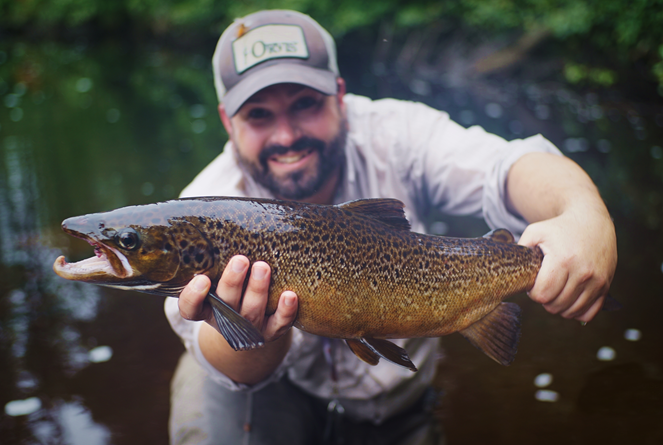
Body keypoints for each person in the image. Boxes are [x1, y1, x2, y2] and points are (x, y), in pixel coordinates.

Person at [164, 9, 617, 445]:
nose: (286, 136)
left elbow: (509, 166)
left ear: (340, 95)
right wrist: (251, 332)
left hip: (399, 397)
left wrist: (583, 212)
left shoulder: (396, 132)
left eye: (305, 104)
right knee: (206, 392)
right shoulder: (200, 215)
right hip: (275, 396)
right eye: (258, 115)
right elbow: (231, 369)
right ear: (227, 121)